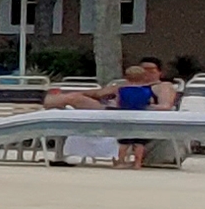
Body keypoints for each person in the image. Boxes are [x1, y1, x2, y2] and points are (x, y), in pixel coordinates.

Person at [43, 57, 181, 169]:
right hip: (114, 112)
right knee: (74, 98)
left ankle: (41, 105)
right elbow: (98, 93)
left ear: (160, 73)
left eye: (150, 70)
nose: (146, 73)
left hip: (133, 116)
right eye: (142, 69)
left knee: (75, 99)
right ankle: (42, 104)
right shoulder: (124, 85)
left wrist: (140, 107)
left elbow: (165, 106)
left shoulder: (162, 86)